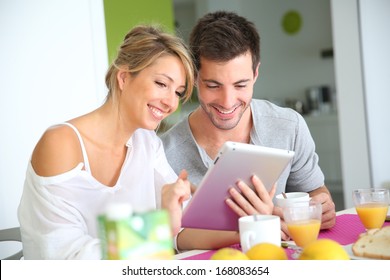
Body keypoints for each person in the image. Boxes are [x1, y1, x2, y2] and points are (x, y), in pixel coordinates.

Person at [160, 11, 336, 251]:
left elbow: (315, 191)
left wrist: (322, 206)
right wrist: (261, 223)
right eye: (213, 85)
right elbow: (167, 241)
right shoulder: (163, 153)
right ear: (194, 77)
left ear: (255, 74)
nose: (227, 101)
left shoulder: (289, 126)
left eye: (240, 85)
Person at [17, 25, 196, 259]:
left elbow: (183, 223)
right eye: (162, 84)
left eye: (178, 93)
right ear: (123, 77)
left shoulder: (147, 144)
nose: (171, 103)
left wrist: (240, 225)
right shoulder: (61, 144)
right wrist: (161, 229)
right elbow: (66, 259)